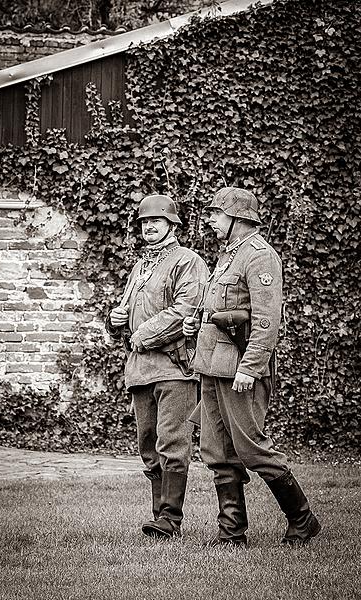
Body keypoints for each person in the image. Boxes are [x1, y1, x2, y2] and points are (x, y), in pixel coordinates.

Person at [183, 186, 321, 548]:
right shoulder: (229, 255)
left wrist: (251, 366)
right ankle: (231, 532)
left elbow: (266, 320)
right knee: (216, 450)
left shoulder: (260, 256)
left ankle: (303, 519)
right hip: (212, 366)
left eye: (216, 214)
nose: (210, 221)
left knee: (252, 448)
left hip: (240, 369)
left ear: (238, 218)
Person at [106, 194, 209, 539]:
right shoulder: (139, 267)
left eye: (156, 221)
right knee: (148, 445)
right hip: (140, 371)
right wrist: (115, 319)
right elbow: (127, 312)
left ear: (172, 225)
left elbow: (186, 312)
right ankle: (158, 517)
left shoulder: (188, 262)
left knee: (172, 444)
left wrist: (142, 335)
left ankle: (170, 519)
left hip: (174, 369)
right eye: (145, 222)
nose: (149, 227)